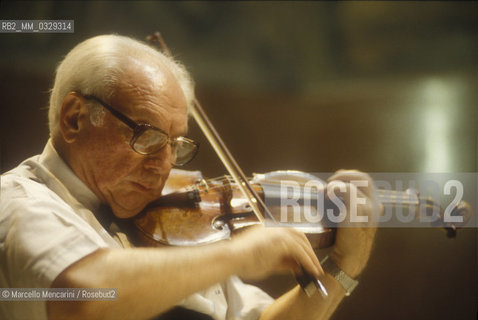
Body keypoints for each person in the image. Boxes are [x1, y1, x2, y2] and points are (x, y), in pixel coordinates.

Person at [0, 34, 378, 320]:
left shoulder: (167, 232)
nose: (164, 165)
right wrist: (237, 254)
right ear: (74, 118)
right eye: (147, 137)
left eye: (176, 145)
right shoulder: (19, 203)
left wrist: (342, 270)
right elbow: (84, 296)